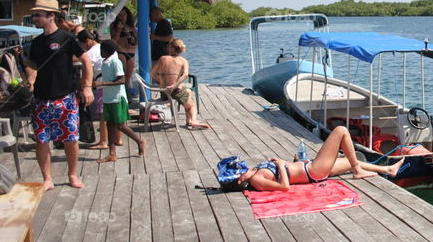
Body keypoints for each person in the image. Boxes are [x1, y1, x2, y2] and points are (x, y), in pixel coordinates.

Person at [24, 0, 93, 190]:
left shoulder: (67, 38)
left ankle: (72, 174)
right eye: (34, 15)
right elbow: (31, 64)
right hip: (41, 99)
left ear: (51, 16)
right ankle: (47, 178)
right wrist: (30, 76)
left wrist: (86, 87)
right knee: (41, 140)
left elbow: (86, 61)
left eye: (38, 15)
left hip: (66, 98)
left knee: (71, 139)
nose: (34, 18)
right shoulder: (36, 42)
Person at [219, 125, 403, 192]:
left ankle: (388, 170)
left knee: (348, 159)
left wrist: (287, 163)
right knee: (341, 131)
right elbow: (284, 187)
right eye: (240, 169)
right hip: (313, 171)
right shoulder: (257, 180)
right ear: (240, 178)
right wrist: (282, 165)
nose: (244, 167)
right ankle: (357, 171)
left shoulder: (255, 175)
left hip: (309, 167)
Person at [92, 41, 145, 162]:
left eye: (102, 49)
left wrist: (102, 83)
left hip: (117, 98)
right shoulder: (105, 62)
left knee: (120, 125)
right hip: (108, 98)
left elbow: (122, 80)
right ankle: (112, 153)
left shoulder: (115, 62)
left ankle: (139, 141)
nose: (100, 52)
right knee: (110, 124)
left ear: (107, 50)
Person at [150, 38, 210, 129]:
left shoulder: (163, 59)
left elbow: (152, 74)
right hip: (175, 91)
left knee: (188, 92)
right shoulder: (183, 61)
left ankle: (188, 121)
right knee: (192, 106)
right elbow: (185, 75)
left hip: (164, 92)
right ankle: (193, 120)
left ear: (171, 48)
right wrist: (174, 85)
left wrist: (161, 82)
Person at [109, 7, 137, 99]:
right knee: (122, 75)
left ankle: (127, 97)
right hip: (120, 52)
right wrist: (119, 30)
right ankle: (121, 96)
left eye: (124, 14)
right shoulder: (114, 26)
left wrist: (132, 43)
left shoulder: (131, 26)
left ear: (127, 15)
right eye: (120, 15)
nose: (122, 17)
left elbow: (137, 40)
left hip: (131, 52)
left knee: (128, 78)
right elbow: (114, 41)